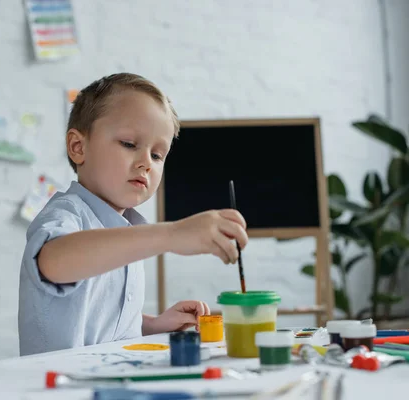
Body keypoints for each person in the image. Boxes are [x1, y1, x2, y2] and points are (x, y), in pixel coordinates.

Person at [18, 73, 248, 356]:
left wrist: (154, 324)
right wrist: (172, 234)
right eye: (129, 144)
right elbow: (53, 262)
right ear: (79, 147)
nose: (146, 163)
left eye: (157, 155)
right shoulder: (67, 213)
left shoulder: (127, 230)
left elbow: (97, 319)